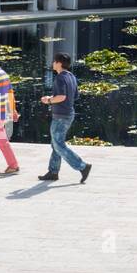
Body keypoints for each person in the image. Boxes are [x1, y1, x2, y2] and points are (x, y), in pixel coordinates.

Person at [37, 53, 92, 183]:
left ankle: (82, 166)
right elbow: (75, 95)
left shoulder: (60, 78)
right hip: (68, 114)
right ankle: (53, 172)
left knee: (58, 145)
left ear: (59, 63)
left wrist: (48, 100)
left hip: (61, 116)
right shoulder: (71, 76)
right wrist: (55, 98)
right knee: (55, 143)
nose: (53, 63)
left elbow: (62, 97)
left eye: (54, 61)